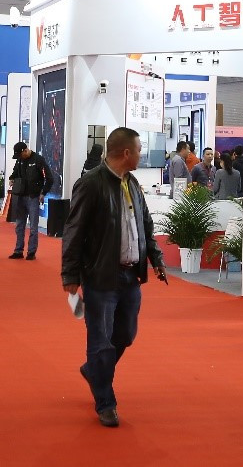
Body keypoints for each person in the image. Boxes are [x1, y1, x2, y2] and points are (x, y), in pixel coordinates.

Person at [61, 126, 167, 428]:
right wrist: (70, 273)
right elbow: (73, 231)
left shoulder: (132, 183)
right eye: (139, 150)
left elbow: (145, 224)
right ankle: (105, 402)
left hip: (131, 276)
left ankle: (94, 371)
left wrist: (156, 258)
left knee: (125, 335)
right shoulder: (90, 184)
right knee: (101, 341)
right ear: (126, 153)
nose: (141, 155)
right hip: (100, 276)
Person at [8, 141, 53, 260]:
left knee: (33, 227)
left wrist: (43, 193)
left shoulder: (39, 160)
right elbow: (14, 173)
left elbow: (49, 178)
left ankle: (31, 252)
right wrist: (12, 179)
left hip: (33, 197)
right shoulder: (19, 160)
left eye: (20, 154)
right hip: (20, 196)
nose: (20, 157)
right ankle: (18, 250)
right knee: (19, 225)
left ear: (25, 150)